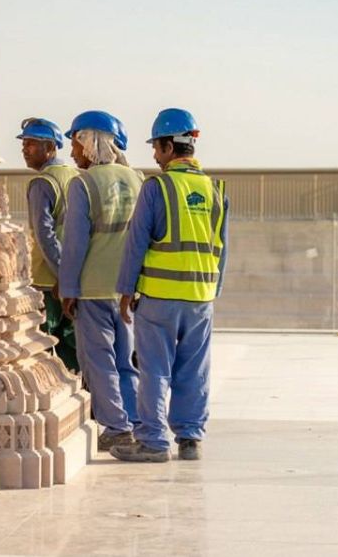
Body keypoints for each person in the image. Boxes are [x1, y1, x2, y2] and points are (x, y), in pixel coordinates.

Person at [110, 107, 229, 463]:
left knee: (155, 369)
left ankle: (153, 441)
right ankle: (190, 438)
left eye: (155, 147)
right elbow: (222, 248)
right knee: (194, 369)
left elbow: (136, 243)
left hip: (160, 298)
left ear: (167, 146)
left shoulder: (157, 186)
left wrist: (125, 289)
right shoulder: (214, 189)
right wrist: (212, 292)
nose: (153, 154)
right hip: (200, 299)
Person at [58, 110, 144, 452]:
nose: (73, 152)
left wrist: (68, 289)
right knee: (127, 360)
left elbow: (75, 243)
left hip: (92, 289)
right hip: (128, 289)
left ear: (92, 143)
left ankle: (116, 427)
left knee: (100, 361)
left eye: (76, 143)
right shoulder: (138, 179)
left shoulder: (83, 184)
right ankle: (135, 420)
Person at [17, 117, 80, 371]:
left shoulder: (42, 182)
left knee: (43, 347)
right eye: (24, 144)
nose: (25, 150)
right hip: (75, 277)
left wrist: (61, 274)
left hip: (47, 280)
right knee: (71, 345)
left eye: (32, 144)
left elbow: (44, 234)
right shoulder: (76, 176)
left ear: (51, 148)